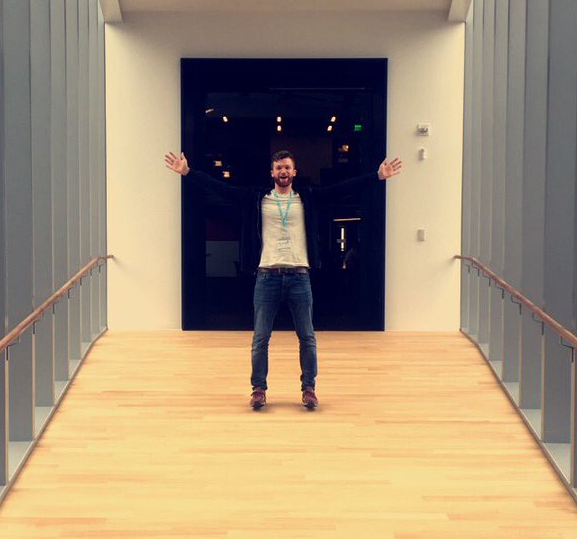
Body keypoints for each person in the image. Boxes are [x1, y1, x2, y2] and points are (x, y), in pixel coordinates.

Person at [165, 148, 403, 410]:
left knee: (307, 337)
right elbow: (222, 189)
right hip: (267, 276)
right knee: (260, 338)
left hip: (299, 276)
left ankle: (309, 389)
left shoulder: (307, 198)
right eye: (279, 168)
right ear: (272, 172)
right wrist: (188, 172)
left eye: (287, 167)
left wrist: (377, 176)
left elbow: (341, 189)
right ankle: (258, 390)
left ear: (294, 172)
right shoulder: (257, 198)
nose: (283, 172)